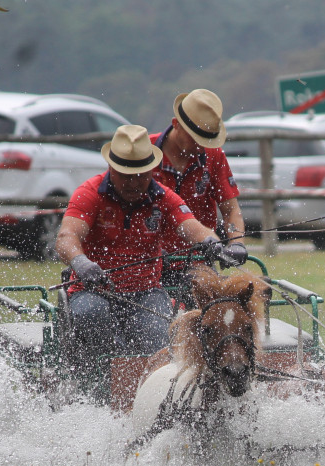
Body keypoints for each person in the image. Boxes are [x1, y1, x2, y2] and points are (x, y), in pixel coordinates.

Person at [55, 123, 230, 371]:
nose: (134, 183)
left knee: (158, 334)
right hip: (92, 291)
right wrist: (81, 262)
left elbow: (192, 226)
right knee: (90, 314)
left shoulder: (163, 197)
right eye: (126, 175)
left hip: (146, 293)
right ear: (111, 168)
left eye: (141, 175)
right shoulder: (89, 193)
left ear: (152, 171)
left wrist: (210, 240)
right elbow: (66, 236)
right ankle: (97, 380)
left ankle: (145, 388)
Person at [149, 89, 247, 297]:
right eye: (195, 139)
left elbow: (231, 210)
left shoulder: (214, 156)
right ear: (176, 124)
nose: (202, 147)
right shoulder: (143, 153)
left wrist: (236, 243)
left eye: (206, 141)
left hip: (199, 263)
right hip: (147, 266)